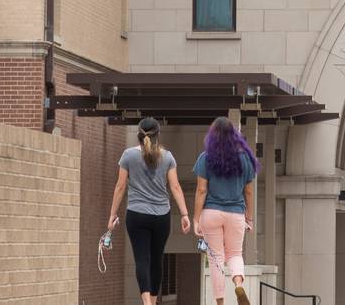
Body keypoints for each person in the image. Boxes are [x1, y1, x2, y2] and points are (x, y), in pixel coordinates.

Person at [106, 117, 192, 305]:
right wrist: (185, 214)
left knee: (142, 258)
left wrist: (113, 214)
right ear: (157, 136)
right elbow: (175, 187)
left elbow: (120, 187)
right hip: (161, 217)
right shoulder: (167, 156)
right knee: (156, 259)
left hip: (136, 215)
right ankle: (153, 301)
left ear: (138, 135)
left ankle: (147, 302)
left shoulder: (128, 155)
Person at [194, 116, 259, 305]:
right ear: (234, 135)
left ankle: (220, 302)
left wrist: (196, 219)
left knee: (215, 258)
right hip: (236, 214)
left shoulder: (205, 158)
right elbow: (248, 191)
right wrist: (250, 218)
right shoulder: (245, 159)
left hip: (211, 213)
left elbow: (201, 190)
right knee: (235, 254)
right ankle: (238, 283)